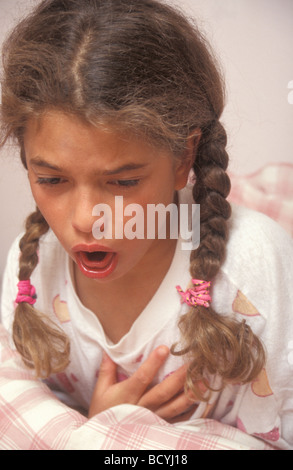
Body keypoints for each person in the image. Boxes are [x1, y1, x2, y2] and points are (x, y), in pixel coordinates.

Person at [0, 0, 292, 449]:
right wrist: (99, 427)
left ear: (184, 159)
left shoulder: (252, 278)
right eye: (52, 179)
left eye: (122, 182)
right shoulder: (33, 267)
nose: (85, 220)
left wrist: (119, 437)